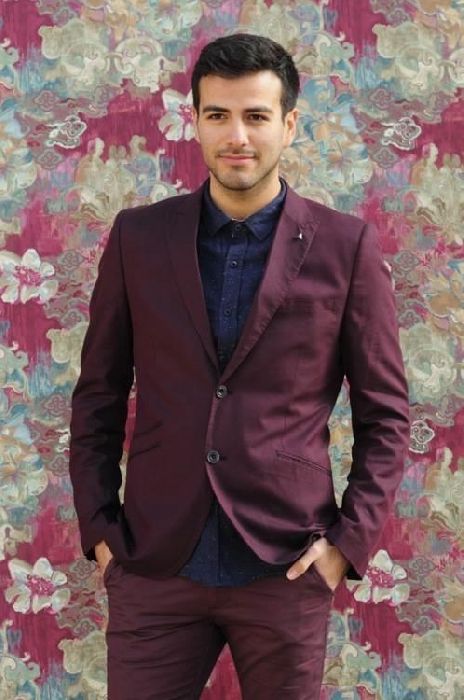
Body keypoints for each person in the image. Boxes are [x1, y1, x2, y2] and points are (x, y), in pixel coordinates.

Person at [69, 33, 410, 700]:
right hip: (155, 562)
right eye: (218, 115)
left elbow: (387, 415)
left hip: (287, 564)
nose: (237, 136)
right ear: (195, 121)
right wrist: (101, 531)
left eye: (256, 116)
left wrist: (346, 545)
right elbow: (98, 396)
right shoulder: (139, 237)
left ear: (289, 124)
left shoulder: (345, 247)